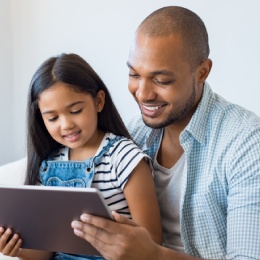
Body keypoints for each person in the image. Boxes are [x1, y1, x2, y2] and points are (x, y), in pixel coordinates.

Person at [71, 6, 260, 260]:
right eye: (134, 74)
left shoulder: (246, 142)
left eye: (161, 80)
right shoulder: (133, 135)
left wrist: (153, 256)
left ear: (202, 72)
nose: (143, 94)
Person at [0, 53, 162, 259]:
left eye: (76, 111)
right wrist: (16, 248)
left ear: (99, 101)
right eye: (53, 117)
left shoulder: (124, 157)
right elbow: (45, 253)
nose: (66, 124)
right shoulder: (48, 165)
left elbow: (152, 244)